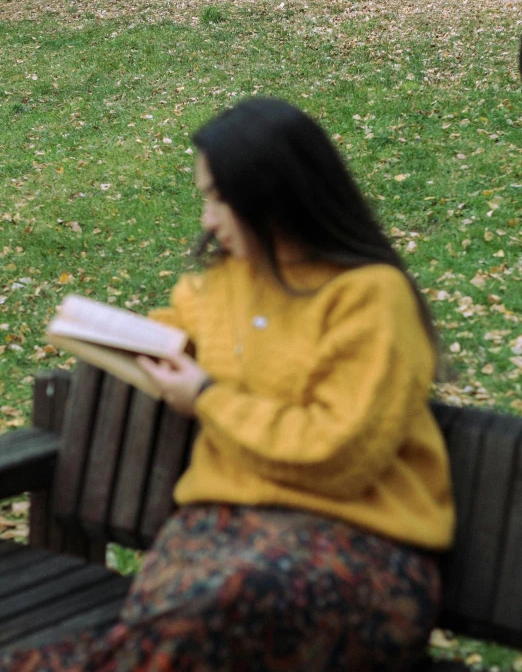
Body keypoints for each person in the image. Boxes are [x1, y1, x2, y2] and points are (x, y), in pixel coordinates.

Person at [2, 98, 454, 672]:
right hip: (216, 538)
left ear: (277, 197)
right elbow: (171, 339)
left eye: (220, 198)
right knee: (195, 610)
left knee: (217, 604)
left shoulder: (368, 297)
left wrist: (210, 398)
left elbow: (342, 455)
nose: (209, 220)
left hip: (357, 549)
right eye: (205, 198)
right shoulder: (216, 290)